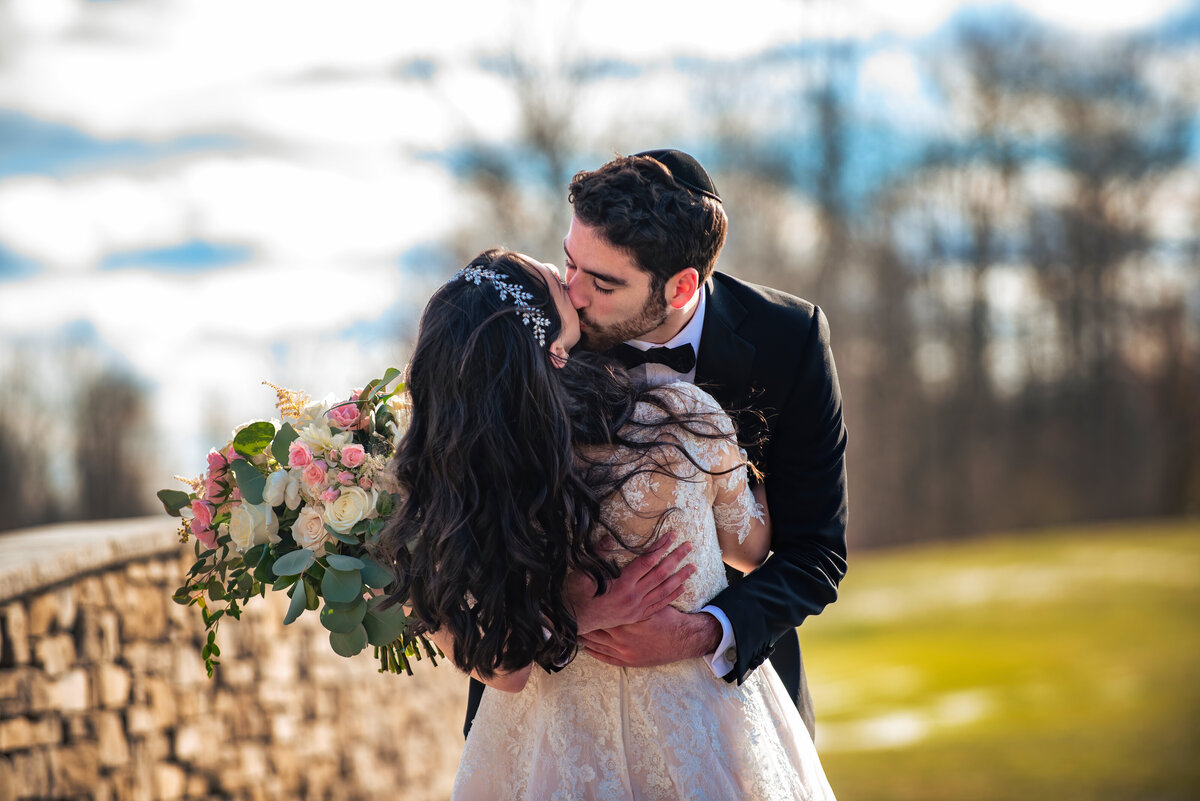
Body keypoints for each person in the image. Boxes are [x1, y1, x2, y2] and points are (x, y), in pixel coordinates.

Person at [380, 248, 835, 800]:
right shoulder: (678, 417)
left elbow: (503, 669)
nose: (572, 284)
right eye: (556, 277)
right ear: (553, 346)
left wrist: (572, 615)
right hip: (697, 726)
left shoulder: (449, 483)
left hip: (544, 744)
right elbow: (750, 549)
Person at [462, 149, 850, 739]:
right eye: (571, 264)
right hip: (550, 710)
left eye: (603, 282)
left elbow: (815, 553)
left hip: (726, 706)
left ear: (681, 286)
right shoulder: (538, 329)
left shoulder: (789, 341)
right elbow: (474, 525)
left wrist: (700, 632)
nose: (575, 293)